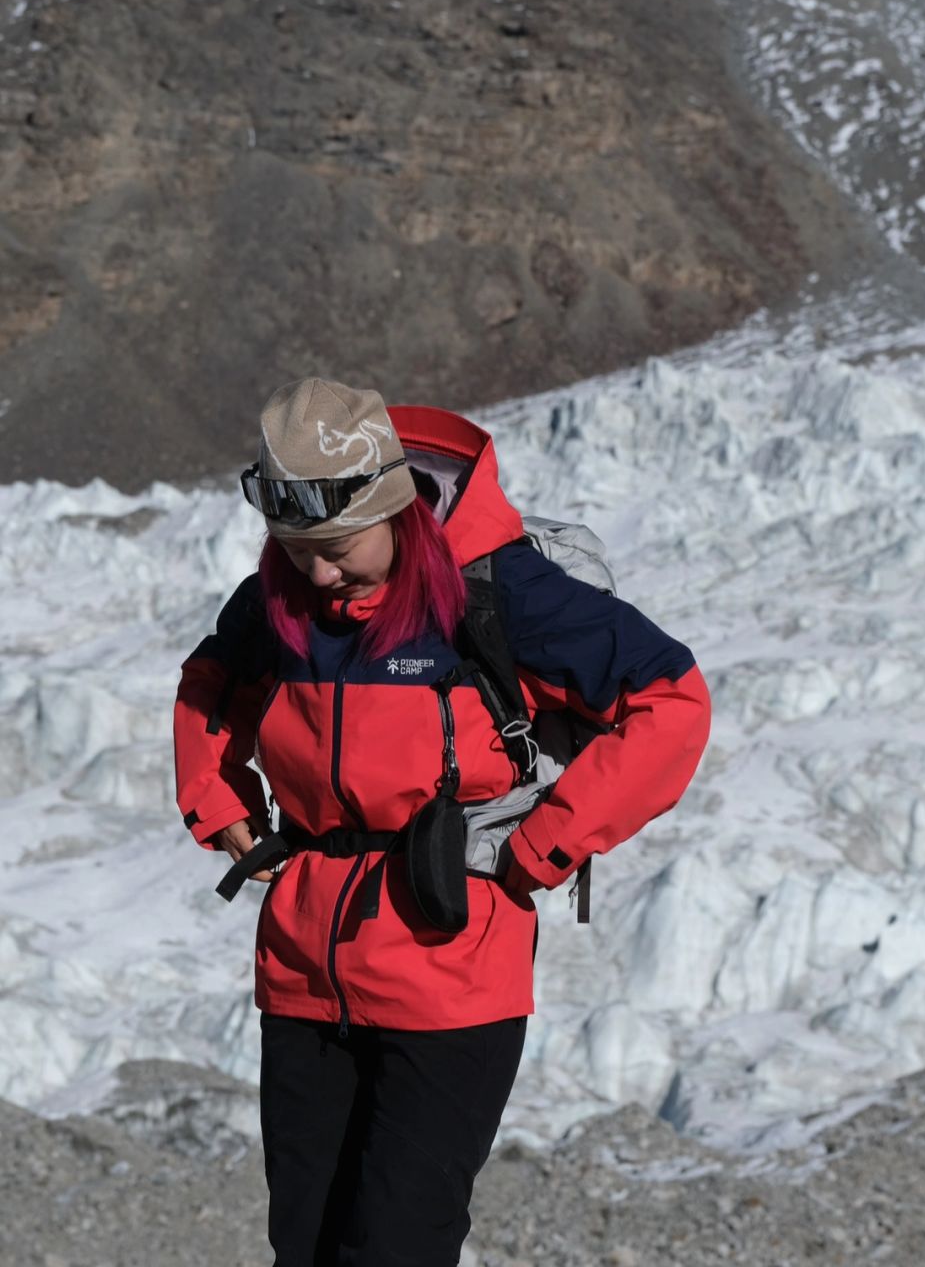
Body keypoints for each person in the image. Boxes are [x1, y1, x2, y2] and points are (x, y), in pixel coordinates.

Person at [173, 378, 712, 1267]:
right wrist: (221, 803)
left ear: (393, 506)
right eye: (293, 546)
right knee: (303, 1246)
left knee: (396, 1247)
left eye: (337, 548)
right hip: (305, 968)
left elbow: (672, 701)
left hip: (451, 970)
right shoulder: (279, 597)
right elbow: (209, 689)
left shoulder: (496, 592)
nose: (315, 573)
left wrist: (546, 844)